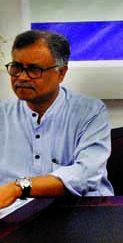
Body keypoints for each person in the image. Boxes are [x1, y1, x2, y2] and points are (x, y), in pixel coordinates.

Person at [0, 30, 113, 209]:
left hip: (78, 212)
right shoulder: (3, 114)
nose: (21, 77)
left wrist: (19, 187)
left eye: (34, 70)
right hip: (13, 218)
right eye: (16, 68)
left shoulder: (90, 112)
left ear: (61, 73)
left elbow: (86, 175)